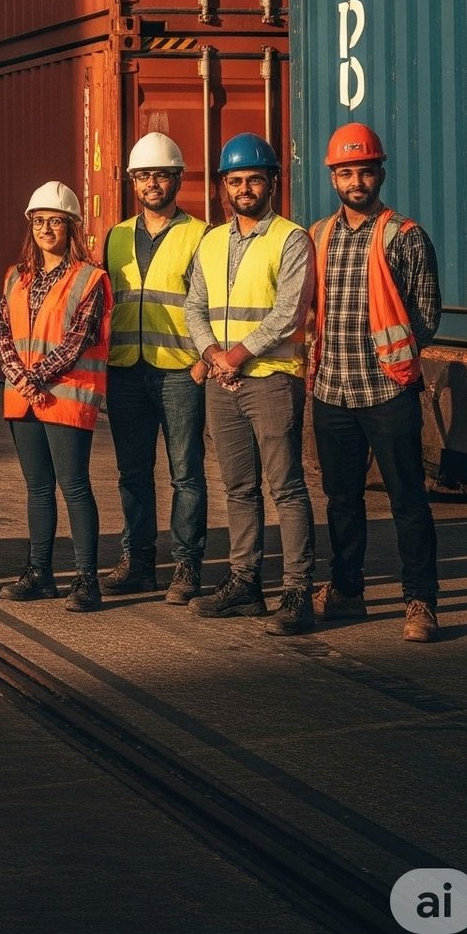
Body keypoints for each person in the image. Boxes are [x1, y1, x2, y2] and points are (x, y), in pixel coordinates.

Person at [307, 123, 444, 644]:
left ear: (380, 173)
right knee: (341, 500)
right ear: (333, 178)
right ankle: (347, 591)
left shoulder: (405, 236)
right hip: (332, 391)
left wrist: (395, 360)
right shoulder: (318, 235)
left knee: (408, 499)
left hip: (387, 390)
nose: (356, 181)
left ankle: (420, 601)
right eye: (346, 172)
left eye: (364, 171)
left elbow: (426, 314)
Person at [185, 132, 318, 636]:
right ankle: (245, 585)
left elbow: (289, 313)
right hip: (224, 384)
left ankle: (297, 592)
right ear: (224, 186)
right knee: (239, 488)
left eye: (254, 180)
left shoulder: (291, 238)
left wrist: (234, 356)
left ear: (272, 183)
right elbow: (194, 307)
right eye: (235, 180)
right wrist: (212, 355)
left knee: (286, 487)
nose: (244, 189)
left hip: (271, 381)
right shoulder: (211, 241)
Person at [101, 132, 210, 605]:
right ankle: (139, 564)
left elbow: (214, 304)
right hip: (126, 369)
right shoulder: (116, 236)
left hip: (181, 372)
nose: (152, 184)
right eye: (144, 175)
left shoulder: (201, 235)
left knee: (186, 474)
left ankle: (186, 566)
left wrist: (204, 361)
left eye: (161, 175)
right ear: (133, 181)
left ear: (178, 180)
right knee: (132, 473)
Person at [0, 182, 112, 611]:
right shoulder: (16, 276)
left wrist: (36, 377)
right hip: (23, 397)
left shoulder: (89, 278)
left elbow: (78, 340)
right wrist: (19, 376)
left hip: (65, 395)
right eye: (39, 221)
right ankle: (39, 573)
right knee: (38, 488)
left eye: (56, 222)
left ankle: (86, 580)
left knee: (74, 486)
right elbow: (2, 332)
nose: (46, 229)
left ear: (72, 227)